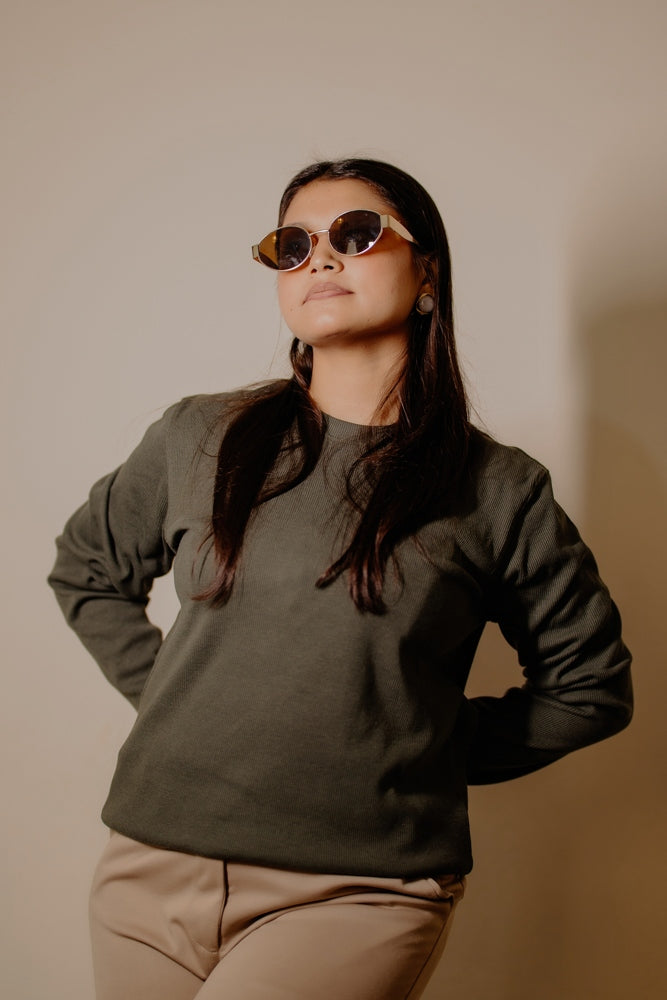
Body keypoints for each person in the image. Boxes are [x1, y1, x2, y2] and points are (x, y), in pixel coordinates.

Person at [48, 158, 633, 1000]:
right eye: (292, 245)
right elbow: (88, 571)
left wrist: (409, 748)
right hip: (148, 868)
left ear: (425, 270)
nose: (318, 258)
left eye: (355, 235)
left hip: (358, 889)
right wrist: (185, 706)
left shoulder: (498, 487)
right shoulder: (197, 436)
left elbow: (590, 689)